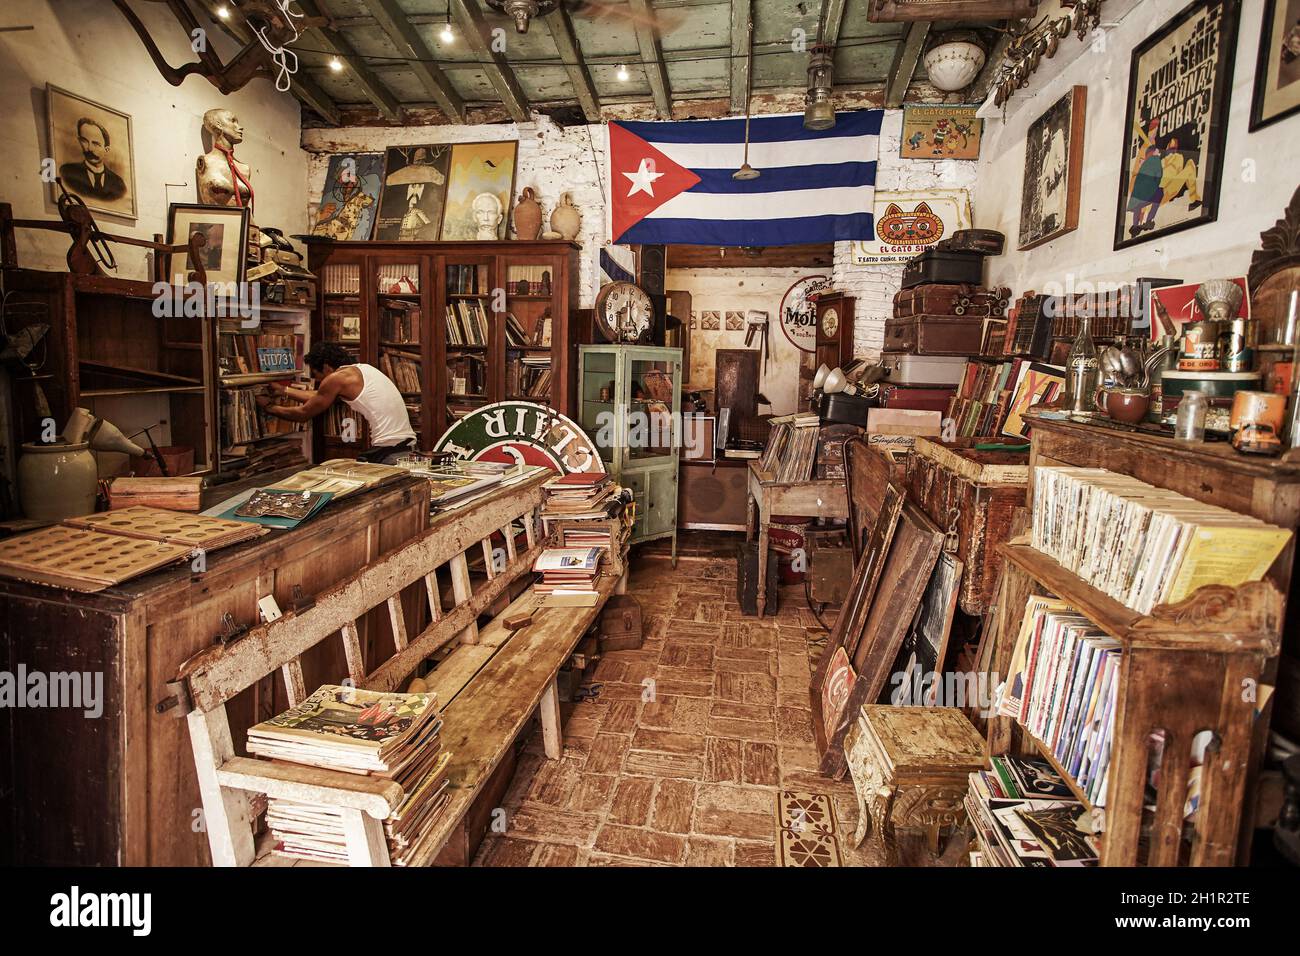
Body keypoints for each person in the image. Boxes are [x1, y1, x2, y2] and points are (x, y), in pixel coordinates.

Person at [257, 342, 417, 464]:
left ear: (326, 367)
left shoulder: (336, 379)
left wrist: (268, 407)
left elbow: (303, 414)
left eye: (317, 375)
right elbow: (320, 396)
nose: (319, 381)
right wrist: (284, 390)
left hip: (388, 451)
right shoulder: (360, 370)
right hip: (403, 446)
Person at [59, 118, 127, 201]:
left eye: (96, 144)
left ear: (106, 150)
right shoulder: (67, 172)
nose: (89, 148)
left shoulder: (118, 184)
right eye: (84, 141)